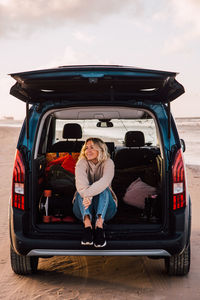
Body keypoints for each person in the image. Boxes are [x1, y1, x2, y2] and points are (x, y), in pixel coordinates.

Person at [73, 137, 117, 247]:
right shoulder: (81, 162)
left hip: (107, 210)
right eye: (86, 148)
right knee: (80, 192)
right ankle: (87, 225)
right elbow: (81, 185)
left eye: (92, 148)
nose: (88, 151)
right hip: (82, 208)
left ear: (101, 149)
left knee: (104, 189)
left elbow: (104, 181)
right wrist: (86, 195)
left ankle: (99, 225)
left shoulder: (108, 162)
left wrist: (89, 195)